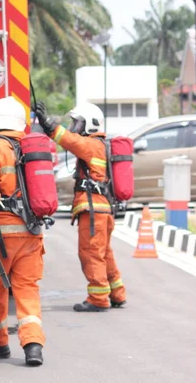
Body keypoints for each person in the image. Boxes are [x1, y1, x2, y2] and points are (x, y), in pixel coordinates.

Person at [35, 102, 126, 312]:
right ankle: (117, 293)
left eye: (77, 123)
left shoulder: (92, 145)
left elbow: (71, 141)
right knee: (104, 253)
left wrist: (49, 127)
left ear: (91, 125)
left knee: (90, 253)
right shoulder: (101, 146)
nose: (75, 127)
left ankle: (98, 298)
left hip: (93, 210)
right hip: (103, 210)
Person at [0, 96, 45, 366]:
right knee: (27, 290)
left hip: (1, 234)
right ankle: (33, 346)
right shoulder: (30, 146)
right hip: (32, 232)